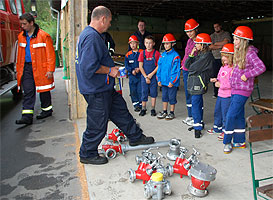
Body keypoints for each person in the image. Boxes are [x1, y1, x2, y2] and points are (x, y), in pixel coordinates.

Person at [75, 6, 154, 165]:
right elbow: (88, 67)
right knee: (98, 122)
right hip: (96, 89)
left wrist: (111, 70)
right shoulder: (91, 37)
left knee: (120, 110)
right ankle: (87, 153)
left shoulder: (91, 35)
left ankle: (135, 136)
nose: (110, 24)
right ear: (103, 19)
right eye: (109, 21)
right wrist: (110, 70)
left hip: (103, 87)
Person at [223, 26, 266, 154]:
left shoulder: (250, 53)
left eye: (236, 39)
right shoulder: (239, 52)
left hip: (243, 90)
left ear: (243, 40)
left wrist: (246, 75)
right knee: (239, 115)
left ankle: (226, 141)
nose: (234, 41)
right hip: (235, 88)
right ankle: (240, 141)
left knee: (230, 114)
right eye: (234, 38)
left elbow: (261, 67)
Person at [15, 13, 56, 125]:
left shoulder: (44, 36)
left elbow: (50, 54)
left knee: (44, 89)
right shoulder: (21, 37)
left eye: (24, 24)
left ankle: (47, 110)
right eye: (21, 24)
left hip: (40, 67)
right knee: (28, 91)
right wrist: (18, 70)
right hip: (27, 67)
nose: (22, 26)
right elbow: (19, 56)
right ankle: (27, 117)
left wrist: (50, 69)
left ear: (31, 23)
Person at [185, 33, 214, 138]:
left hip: (199, 82)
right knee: (198, 103)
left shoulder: (207, 56)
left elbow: (192, 68)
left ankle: (197, 128)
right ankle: (199, 123)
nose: (195, 45)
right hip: (195, 81)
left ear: (203, 44)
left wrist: (192, 66)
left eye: (197, 43)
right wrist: (191, 54)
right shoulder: (199, 55)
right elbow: (187, 65)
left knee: (196, 104)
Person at [207, 43, 234, 141]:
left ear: (232, 56)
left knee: (225, 113)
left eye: (225, 56)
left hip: (227, 95)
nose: (223, 58)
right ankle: (217, 127)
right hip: (220, 94)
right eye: (222, 56)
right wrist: (216, 80)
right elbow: (220, 77)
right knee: (217, 111)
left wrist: (221, 85)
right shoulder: (223, 67)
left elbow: (232, 84)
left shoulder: (233, 69)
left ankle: (225, 130)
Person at [156, 33, 181, 120]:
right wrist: (158, 79)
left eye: (168, 43)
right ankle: (164, 111)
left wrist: (172, 81)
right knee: (164, 97)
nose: (166, 46)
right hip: (163, 81)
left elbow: (176, 71)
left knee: (172, 97)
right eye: (165, 44)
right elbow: (159, 68)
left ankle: (172, 112)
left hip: (171, 83)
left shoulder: (176, 56)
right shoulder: (162, 55)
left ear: (172, 44)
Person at [181, 19, 199, 126]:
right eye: (187, 32)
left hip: (193, 71)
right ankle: (190, 116)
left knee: (194, 94)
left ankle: (195, 117)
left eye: (191, 31)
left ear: (196, 29)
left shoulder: (199, 41)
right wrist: (183, 64)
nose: (189, 33)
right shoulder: (189, 41)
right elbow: (186, 55)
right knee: (188, 94)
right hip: (186, 70)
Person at [138, 35, 160, 117]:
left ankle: (153, 109)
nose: (148, 45)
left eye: (150, 43)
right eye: (146, 43)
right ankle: (143, 108)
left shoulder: (156, 53)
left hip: (153, 77)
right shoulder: (142, 53)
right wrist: (145, 76)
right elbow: (140, 66)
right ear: (144, 43)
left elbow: (158, 66)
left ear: (153, 43)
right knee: (144, 93)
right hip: (144, 77)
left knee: (153, 93)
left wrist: (151, 75)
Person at [209, 22, 231, 98]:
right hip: (215, 58)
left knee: (225, 75)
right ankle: (216, 93)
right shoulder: (212, 36)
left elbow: (226, 42)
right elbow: (210, 46)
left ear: (220, 26)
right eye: (215, 27)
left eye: (217, 26)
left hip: (225, 59)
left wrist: (216, 44)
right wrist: (221, 45)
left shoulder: (226, 34)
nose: (216, 28)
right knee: (215, 75)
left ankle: (226, 91)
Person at [124, 35, 143, 112]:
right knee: (133, 91)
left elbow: (144, 62)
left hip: (140, 75)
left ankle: (141, 104)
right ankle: (135, 104)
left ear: (137, 43)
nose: (133, 45)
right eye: (131, 43)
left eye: (134, 43)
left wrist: (139, 69)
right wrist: (131, 70)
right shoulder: (128, 54)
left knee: (140, 90)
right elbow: (126, 65)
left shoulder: (142, 52)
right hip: (132, 76)